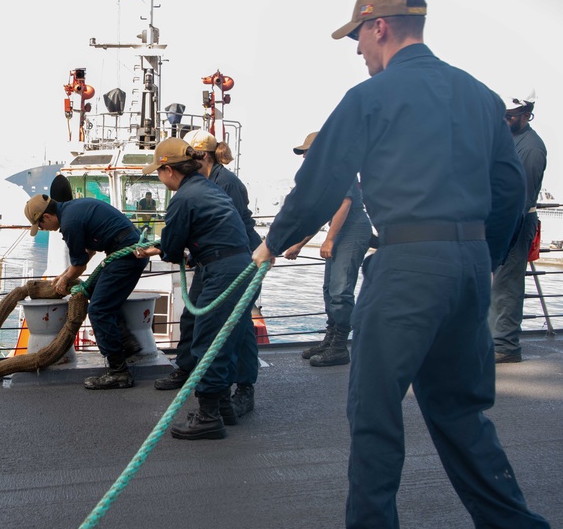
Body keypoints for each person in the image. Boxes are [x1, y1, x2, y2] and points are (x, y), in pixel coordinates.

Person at [252, 0, 554, 529]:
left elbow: (321, 178)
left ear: (380, 25)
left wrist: (269, 246)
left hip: (407, 264)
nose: (357, 49)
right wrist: (479, 255)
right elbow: (509, 192)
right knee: (460, 408)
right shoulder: (480, 96)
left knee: (375, 406)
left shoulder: (372, 96)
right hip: (469, 264)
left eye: (357, 35)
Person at [136, 137, 255, 440]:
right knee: (227, 339)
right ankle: (224, 407)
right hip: (241, 265)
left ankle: (208, 417)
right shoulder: (209, 187)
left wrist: (166, 251)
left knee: (208, 341)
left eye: (159, 174)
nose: (160, 180)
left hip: (221, 271)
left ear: (169, 170)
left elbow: (173, 249)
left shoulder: (183, 199)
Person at [24, 193, 148, 389]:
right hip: (128, 251)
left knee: (99, 310)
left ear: (46, 217)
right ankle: (127, 345)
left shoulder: (70, 223)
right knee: (95, 293)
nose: (42, 229)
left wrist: (64, 280)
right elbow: (88, 252)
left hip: (127, 255)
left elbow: (80, 264)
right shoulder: (72, 209)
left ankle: (119, 372)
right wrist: (64, 275)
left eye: (39, 225)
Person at [283, 131, 372, 367]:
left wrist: (329, 240)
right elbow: (321, 215)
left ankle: (340, 347)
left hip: (352, 229)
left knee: (340, 291)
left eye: (307, 153)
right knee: (329, 289)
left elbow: (344, 204)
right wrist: (300, 244)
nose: (304, 158)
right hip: (341, 229)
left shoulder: (339, 168)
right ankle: (331, 339)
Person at [490, 94, 547, 363]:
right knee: (494, 284)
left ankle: (505, 346)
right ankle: (492, 340)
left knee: (507, 283)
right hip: (498, 219)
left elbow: (521, 198)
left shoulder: (532, 148)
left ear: (527, 114)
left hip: (515, 220)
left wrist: (504, 230)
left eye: (511, 115)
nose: (505, 118)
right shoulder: (507, 139)